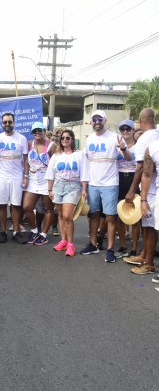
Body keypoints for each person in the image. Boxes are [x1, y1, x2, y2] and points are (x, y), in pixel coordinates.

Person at [80, 110, 131, 262]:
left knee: (110, 217)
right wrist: (84, 187)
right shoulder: (89, 140)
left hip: (110, 184)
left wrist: (122, 148)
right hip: (93, 184)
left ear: (105, 121)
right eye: (94, 119)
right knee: (93, 215)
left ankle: (110, 249)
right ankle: (93, 244)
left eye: (99, 119)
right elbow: (85, 163)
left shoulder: (115, 137)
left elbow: (128, 158)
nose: (96, 122)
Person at [123, 109, 159, 273]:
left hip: (150, 190)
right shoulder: (157, 134)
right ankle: (144, 255)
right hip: (152, 188)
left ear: (139, 120)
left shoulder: (145, 139)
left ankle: (148, 263)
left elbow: (141, 169)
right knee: (147, 226)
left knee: (149, 227)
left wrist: (131, 191)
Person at [45, 129, 89, 256]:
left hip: (73, 186)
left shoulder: (79, 155)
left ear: (72, 139)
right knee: (60, 215)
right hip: (58, 186)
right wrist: (50, 190)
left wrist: (84, 190)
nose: (65, 140)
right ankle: (63, 241)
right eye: (63, 138)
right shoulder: (56, 155)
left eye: (67, 138)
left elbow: (84, 173)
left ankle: (70, 244)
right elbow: (50, 174)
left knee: (68, 216)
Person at [0, 113, 28, 244]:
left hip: (17, 176)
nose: (7, 124)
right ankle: (3, 232)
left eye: (9, 122)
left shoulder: (21, 138)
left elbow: (26, 159)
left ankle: (16, 232)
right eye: (5, 122)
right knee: (2, 205)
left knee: (16, 205)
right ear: (2, 124)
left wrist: (25, 176)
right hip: (1, 176)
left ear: (14, 122)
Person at [23, 122, 57, 246]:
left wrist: (54, 183)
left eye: (39, 130)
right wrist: (26, 176)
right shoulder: (29, 144)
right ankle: (34, 230)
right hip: (33, 179)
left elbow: (57, 163)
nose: (37, 132)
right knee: (27, 207)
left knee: (48, 208)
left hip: (46, 180)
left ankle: (43, 234)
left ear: (43, 130)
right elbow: (26, 160)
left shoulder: (51, 146)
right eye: (34, 131)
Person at [115, 119, 140, 258]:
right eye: (122, 129)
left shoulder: (139, 146)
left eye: (128, 129)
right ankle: (123, 245)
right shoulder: (116, 146)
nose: (125, 131)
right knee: (120, 214)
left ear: (133, 131)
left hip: (133, 178)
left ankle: (134, 247)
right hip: (118, 178)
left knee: (134, 216)